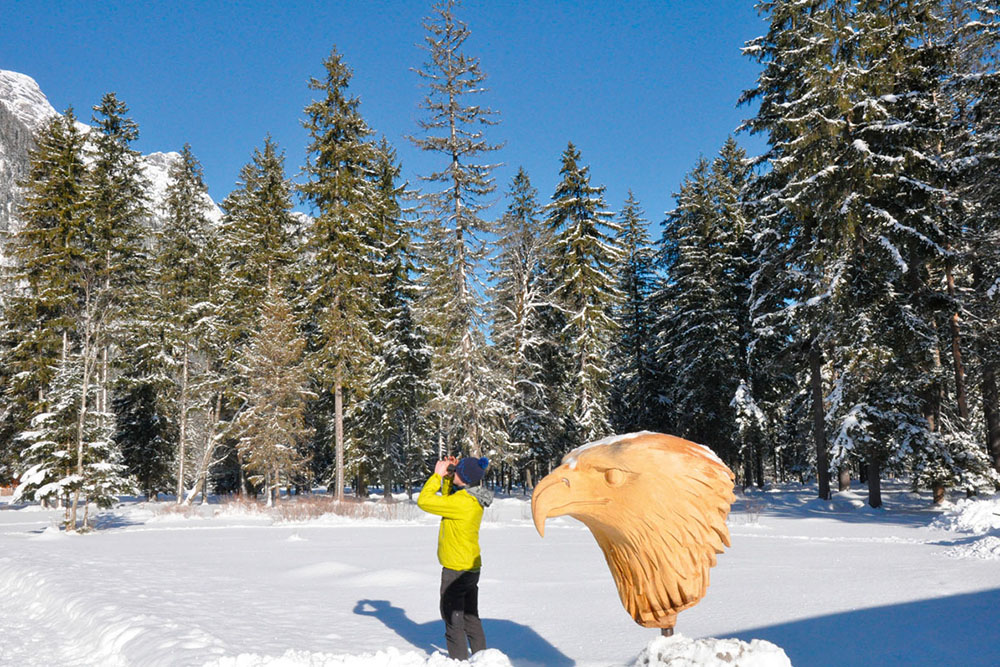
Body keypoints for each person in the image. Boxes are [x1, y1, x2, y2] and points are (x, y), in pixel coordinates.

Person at [417, 455, 493, 660]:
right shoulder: (471, 498)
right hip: (471, 567)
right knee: (470, 618)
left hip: (455, 569)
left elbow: (424, 501)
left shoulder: (461, 502)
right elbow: (450, 497)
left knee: (453, 620)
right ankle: (483, 660)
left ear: (465, 478)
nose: (454, 470)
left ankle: (458, 662)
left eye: (458, 470)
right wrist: (451, 476)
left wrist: (437, 476)